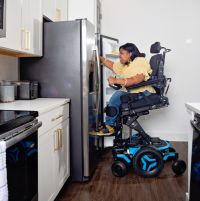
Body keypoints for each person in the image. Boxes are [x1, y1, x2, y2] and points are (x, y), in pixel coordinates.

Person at [97, 43, 156, 135]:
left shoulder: (139, 61)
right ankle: (110, 125)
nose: (119, 55)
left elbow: (137, 80)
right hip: (135, 90)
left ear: (129, 54)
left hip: (143, 91)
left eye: (121, 53)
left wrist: (116, 80)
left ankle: (110, 126)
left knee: (115, 100)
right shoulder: (128, 63)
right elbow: (113, 66)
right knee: (115, 99)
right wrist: (100, 58)